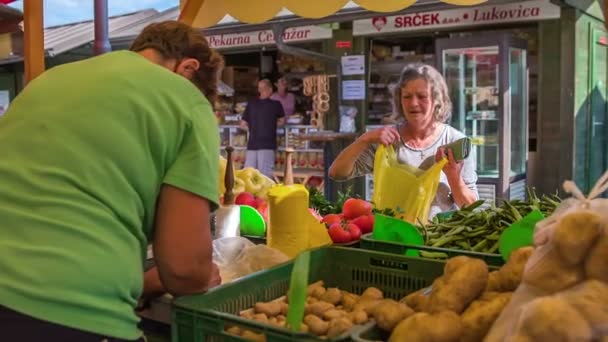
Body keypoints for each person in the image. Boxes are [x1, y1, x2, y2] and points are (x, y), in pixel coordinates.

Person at [0, 21, 223, 341]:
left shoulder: (50, 79)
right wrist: (198, 274)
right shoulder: (187, 100)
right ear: (187, 69)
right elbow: (184, 269)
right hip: (69, 316)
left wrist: (144, 282)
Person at [329, 63, 478, 219]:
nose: (413, 103)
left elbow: (470, 208)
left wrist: (454, 177)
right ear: (399, 100)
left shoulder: (455, 141)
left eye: (422, 96)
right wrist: (364, 139)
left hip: (437, 236)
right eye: (407, 96)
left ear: (437, 99)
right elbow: (337, 172)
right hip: (392, 234)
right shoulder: (387, 140)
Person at [240, 79, 285, 178]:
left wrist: (253, 129)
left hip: (252, 144)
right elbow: (282, 121)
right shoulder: (276, 105)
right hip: (267, 145)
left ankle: (248, 194)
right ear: (270, 90)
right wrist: (270, 125)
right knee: (265, 177)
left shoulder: (251, 104)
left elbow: (242, 124)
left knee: (248, 176)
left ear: (259, 90)